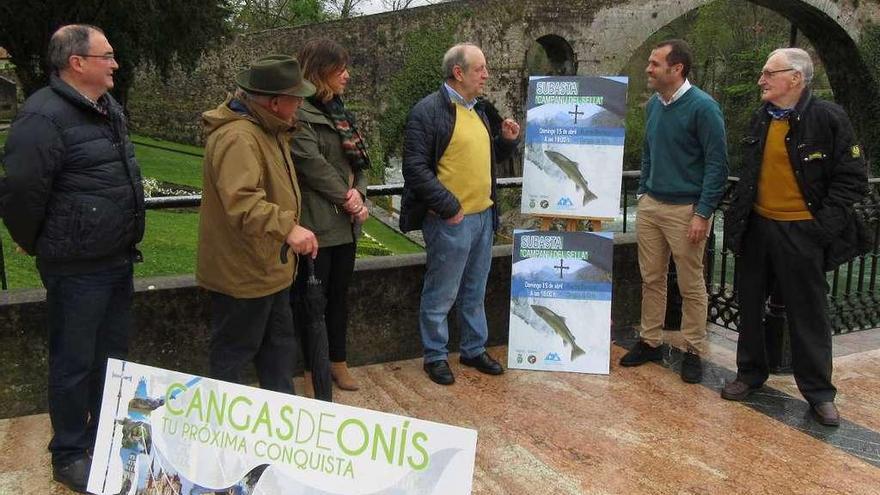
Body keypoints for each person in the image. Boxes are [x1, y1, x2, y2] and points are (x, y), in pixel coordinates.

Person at [0, 24, 144, 493]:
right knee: (74, 362)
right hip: (76, 267)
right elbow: (20, 192)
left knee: (112, 358)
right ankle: (67, 453)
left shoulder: (105, 107)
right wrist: (34, 239)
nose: (115, 63)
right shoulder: (42, 117)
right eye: (107, 55)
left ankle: (104, 437)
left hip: (115, 259)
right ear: (77, 63)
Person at [721, 48, 868, 427]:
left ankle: (819, 393)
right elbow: (751, 175)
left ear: (796, 78)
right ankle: (750, 375)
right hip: (758, 229)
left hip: (803, 234)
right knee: (750, 307)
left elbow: (852, 180)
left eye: (769, 73)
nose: (761, 80)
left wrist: (820, 229)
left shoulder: (828, 118)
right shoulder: (761, 119)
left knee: (809, 315)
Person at [197, 55, 318, 396]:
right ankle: (223, 430)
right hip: (242, 275)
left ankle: (278, 424)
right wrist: (289, 228)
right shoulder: (239, 137)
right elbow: (243, 202)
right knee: (232, 360)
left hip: (268, 269)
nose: (300, 104)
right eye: (296, 98)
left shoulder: (268, 129)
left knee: (278, 354)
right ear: (275, 101)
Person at [400, 43, 520, 385]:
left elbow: (482, 157)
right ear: (459, 72)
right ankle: (435, 356)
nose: (486, 75)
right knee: (441, 292)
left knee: (474, 290)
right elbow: (415, 169)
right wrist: (449, 206)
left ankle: (472, 349)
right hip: (449, 219)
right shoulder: (427, 111)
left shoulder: (479, 110)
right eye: (480, 68)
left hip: (483, 218)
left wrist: (507, 143)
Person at [619, 39, 729, 384]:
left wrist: (703, 212)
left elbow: (717, 165)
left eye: (654, 64)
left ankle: (693, 349)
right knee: (651, 278)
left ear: (676, 68)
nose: (648, 69)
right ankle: (651, 340)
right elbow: (649, 151)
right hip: (652, 206)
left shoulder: (704, 108)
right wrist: (643, 192)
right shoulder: (654, 105)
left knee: (690, 282)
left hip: (687, 209)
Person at [291, 39, 369, 395]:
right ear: (320, 71)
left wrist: (361, 194)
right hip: (318, 224)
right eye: (340, 69)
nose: (346, 76)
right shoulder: (300, 112)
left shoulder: (339, 110)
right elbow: (311, 165)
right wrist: (348, 197)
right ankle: (313, 369)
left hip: (345, 225)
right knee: (311, 303)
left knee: (340, 297)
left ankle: (338, 361)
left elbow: (360, 162)